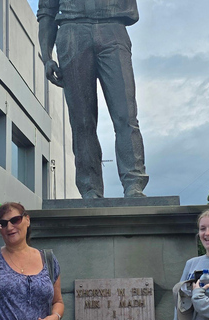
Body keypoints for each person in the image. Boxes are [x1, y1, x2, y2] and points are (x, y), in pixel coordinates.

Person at [37, 0, 149, 199]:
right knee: (82, 121)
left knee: (125, 115)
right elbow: (47, 11)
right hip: (72, 31)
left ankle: (134, 183)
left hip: (113, 28)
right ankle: (90, 188)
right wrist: (46, 56)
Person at [0, 202, 64, 320]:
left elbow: (58, 302)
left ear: (27, 220)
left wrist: (55, 316)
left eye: (15, 220)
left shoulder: (48, 259)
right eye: (3, 223)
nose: (9, 227)